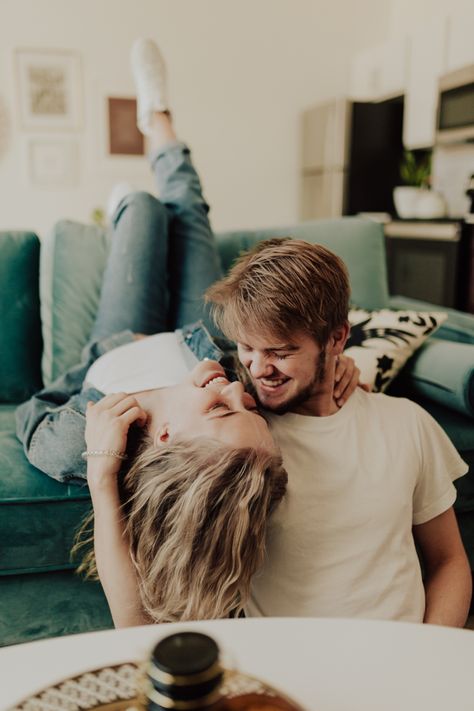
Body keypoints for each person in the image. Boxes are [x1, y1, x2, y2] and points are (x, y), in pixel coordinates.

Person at [15, 39, 359, 627]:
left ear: (167, 436)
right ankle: (159, 118)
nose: (238, 385)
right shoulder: (237, 389)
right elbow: (304, 346)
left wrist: (102, 479)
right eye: (246, 400)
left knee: (146, 210)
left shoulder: (85, 443)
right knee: (188, 209)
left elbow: (40, 400)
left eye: (223, 407)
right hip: (197, 333)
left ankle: (125, 209)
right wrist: (341, 365)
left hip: (119, 343)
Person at [206, 237, 472, 627]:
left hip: (404, 659)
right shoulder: (244, 434)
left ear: (336, 339)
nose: (258, 368)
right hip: (290, 671)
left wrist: (427, 655)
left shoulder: (406, 422)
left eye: (280, 352)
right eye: (247, 347)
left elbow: (449, 561)